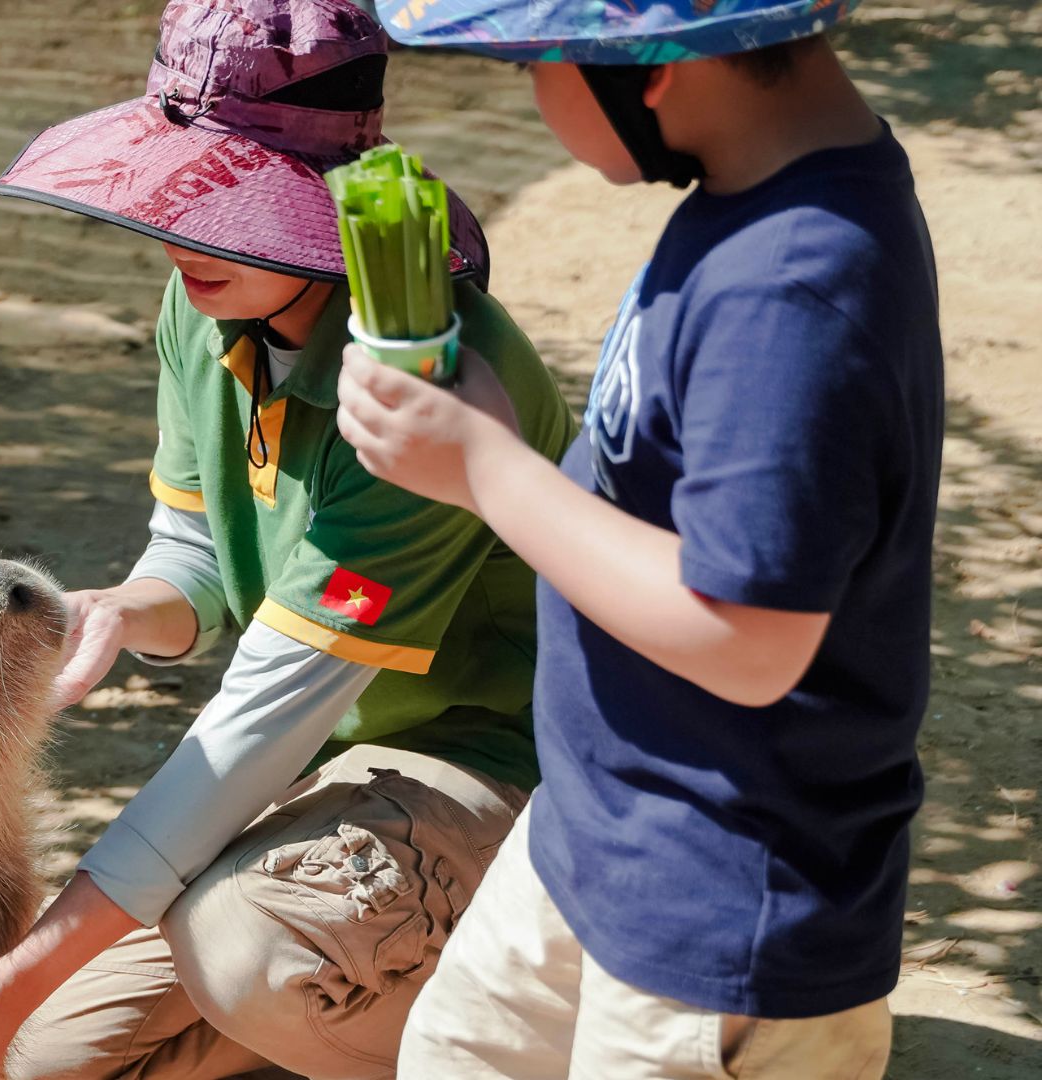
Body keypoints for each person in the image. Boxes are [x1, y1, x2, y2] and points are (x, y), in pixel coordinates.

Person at [0, 2, 573, 1077]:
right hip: (332, 765)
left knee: (242, 956)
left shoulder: (423, 377)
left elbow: (257, 724)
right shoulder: (204, 303)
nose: (182, 236)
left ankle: (534, 1033)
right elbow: (193, 548)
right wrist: (122, 609)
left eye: (233, 203)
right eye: (184, 193)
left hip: (496, 764)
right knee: (40, 1057)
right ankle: (367, 989)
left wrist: (13, 975)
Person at [334, 2, 940, 1076]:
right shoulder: (746, 198)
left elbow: (746, 637)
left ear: (645, 69)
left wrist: (485, 469)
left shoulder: (792, 284)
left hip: (714, 906)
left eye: (536, 64)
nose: (532, 95)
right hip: (595, 833)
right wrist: (499, 444)